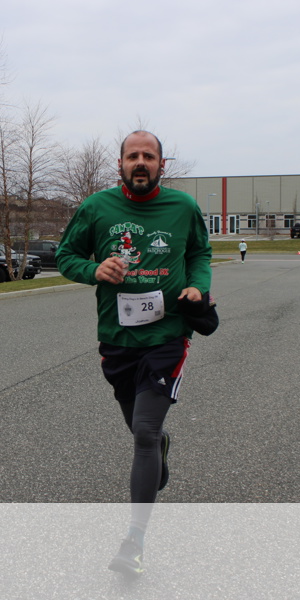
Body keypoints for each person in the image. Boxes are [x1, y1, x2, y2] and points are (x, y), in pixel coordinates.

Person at [56, 130, 212, 576]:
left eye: (148, 156)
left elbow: (200, 253)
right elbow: (66, 256)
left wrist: (197, 287)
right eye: (132, 156)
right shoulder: (96, 207)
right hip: (117, 339)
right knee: (139, 429)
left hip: (168, 336)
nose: (140, 162)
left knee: (143, 430)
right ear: (120, 164)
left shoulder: (183, 207)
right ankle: (159, 445)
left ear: (162, 164)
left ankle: (134, 542)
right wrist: (94, 269)